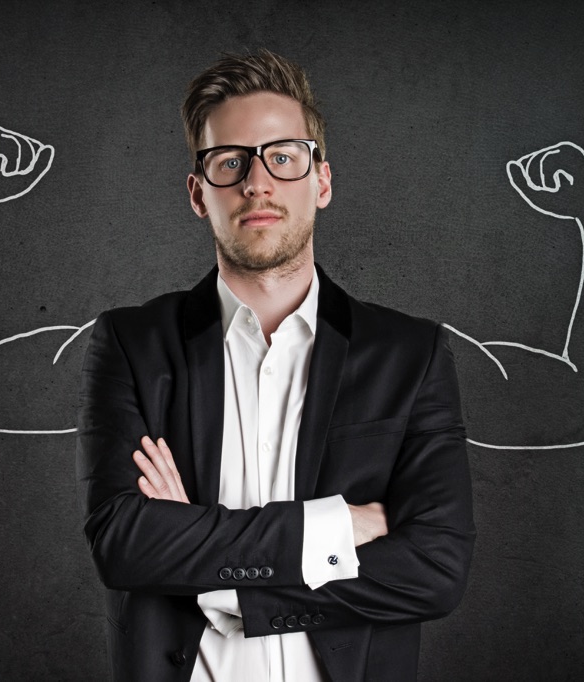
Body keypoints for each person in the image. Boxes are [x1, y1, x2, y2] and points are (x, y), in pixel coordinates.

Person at [76, 50, 475, 681]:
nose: (256, 182)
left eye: (282, 157)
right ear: (197, 193)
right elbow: (124, 544)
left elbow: (435, 568)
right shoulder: (133, 343)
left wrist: (223, 583)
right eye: (229, 162)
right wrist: (334, 526)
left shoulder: (410, 355)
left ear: (321, 180)